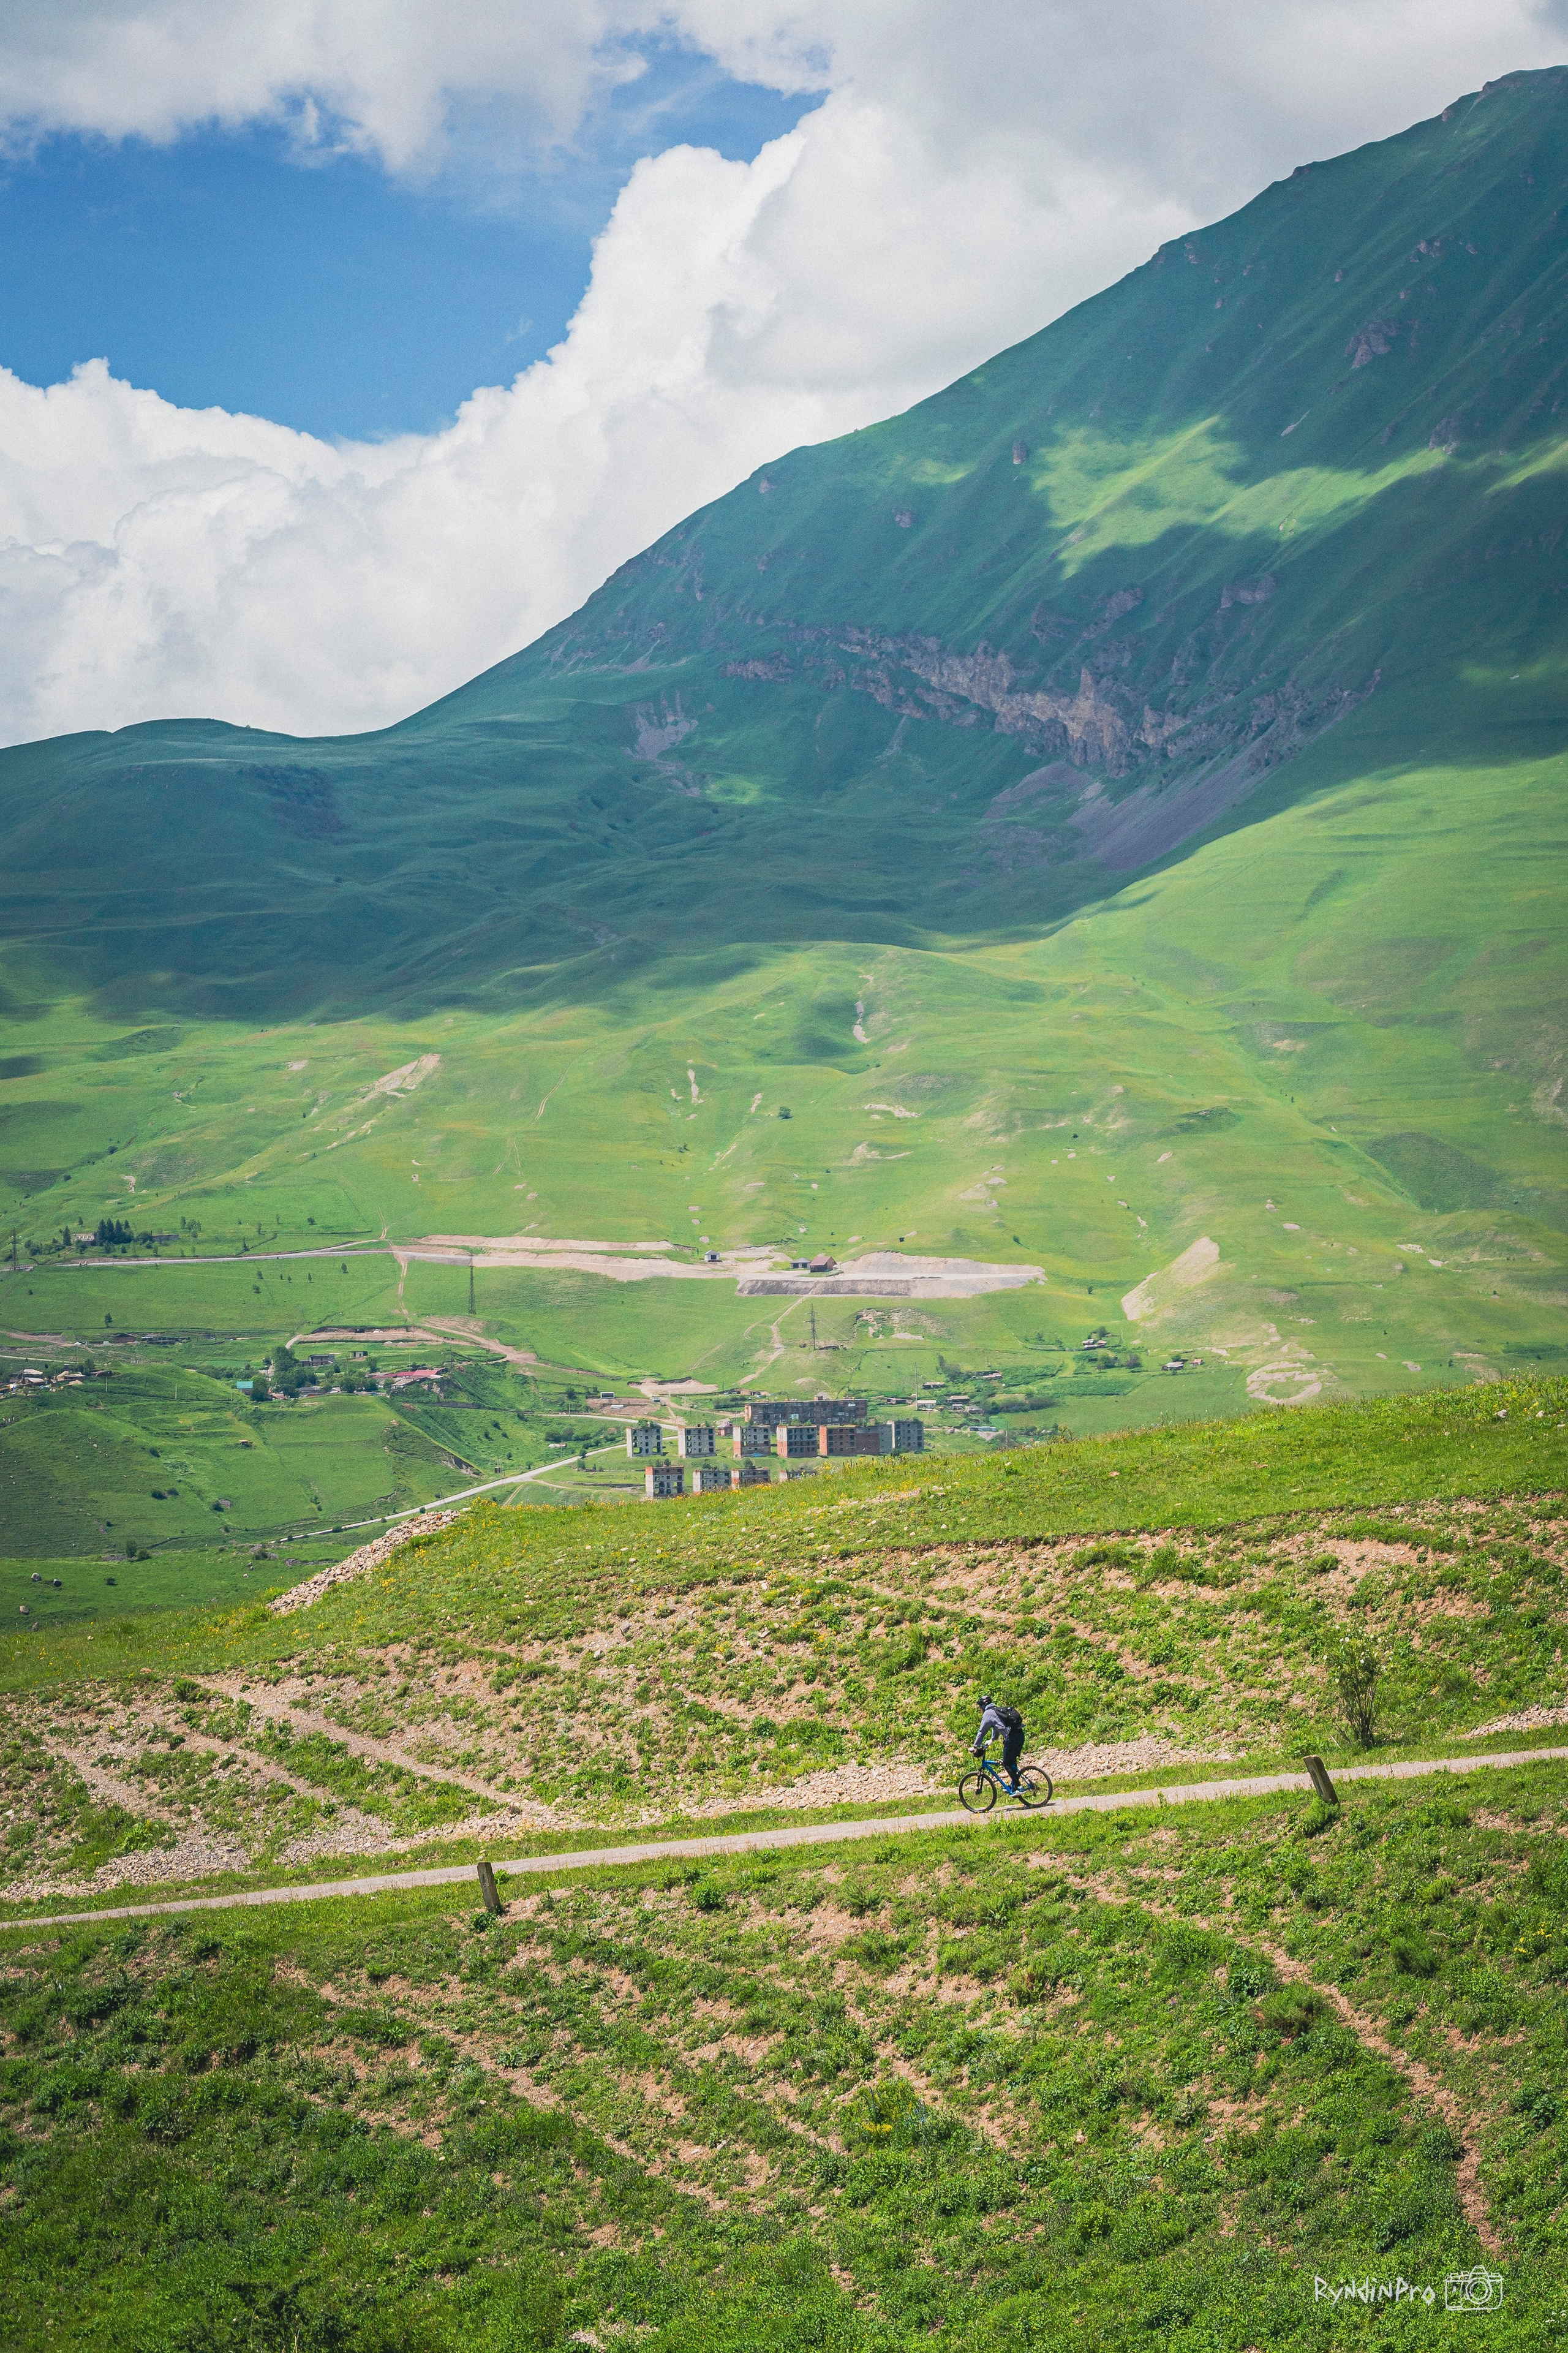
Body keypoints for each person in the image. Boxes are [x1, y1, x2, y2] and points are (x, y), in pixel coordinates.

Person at [972, 1693, 1025, 1789]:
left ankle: (1019, 1787)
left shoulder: (988, 1714)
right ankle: (1014, 1786)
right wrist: (992, 1739)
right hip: (1020, 1735)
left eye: (980, 1708)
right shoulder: (996, 1710)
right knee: (1012, 1763)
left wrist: (975, 1746)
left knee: (1007, 1763)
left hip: (1011, 1738)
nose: (980, 1710)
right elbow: (997, 1727)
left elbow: (982, 1731)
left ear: (983, 1706)